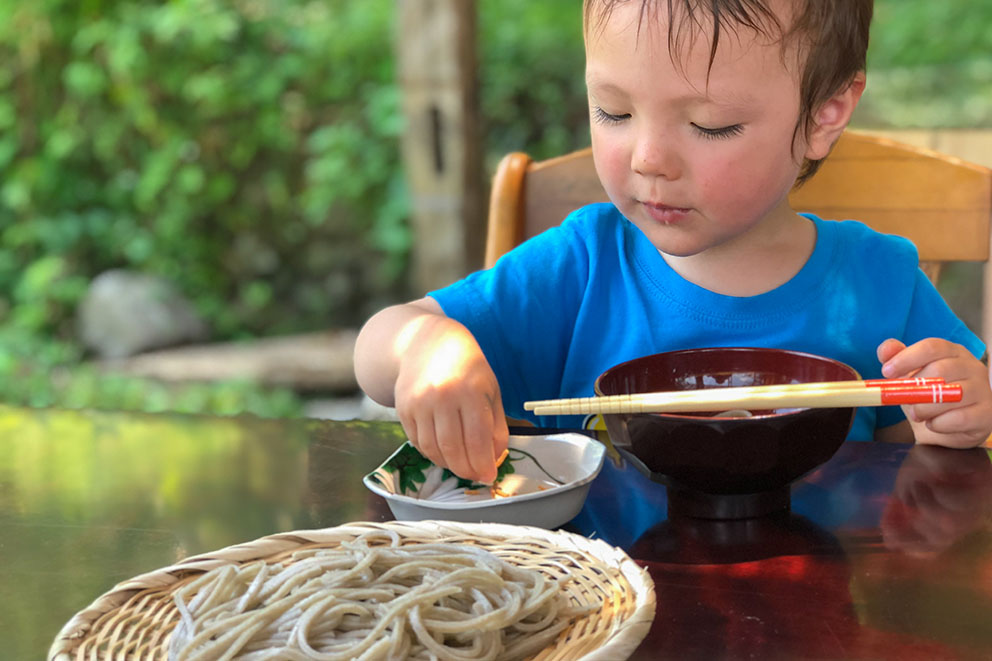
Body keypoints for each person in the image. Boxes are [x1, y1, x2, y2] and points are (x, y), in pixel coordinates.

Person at [355, 0, 992, 483]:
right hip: (595, 615)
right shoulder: (580, 266)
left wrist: (956, 420)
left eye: (711, 125)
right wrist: (426, 348)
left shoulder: (881, 280)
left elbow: (923, 472)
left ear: (824, 114)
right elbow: (381, 344)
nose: (650, 159)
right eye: (613, 111)